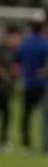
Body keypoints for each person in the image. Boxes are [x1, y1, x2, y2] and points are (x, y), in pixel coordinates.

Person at [14, 19, 48, 152]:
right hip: (43, 84)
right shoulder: (45, 44)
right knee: (45, 116)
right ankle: (45, 145)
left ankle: (26, 143)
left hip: (27, 83)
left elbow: (16, 63)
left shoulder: (24, 44)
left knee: (26, 115)